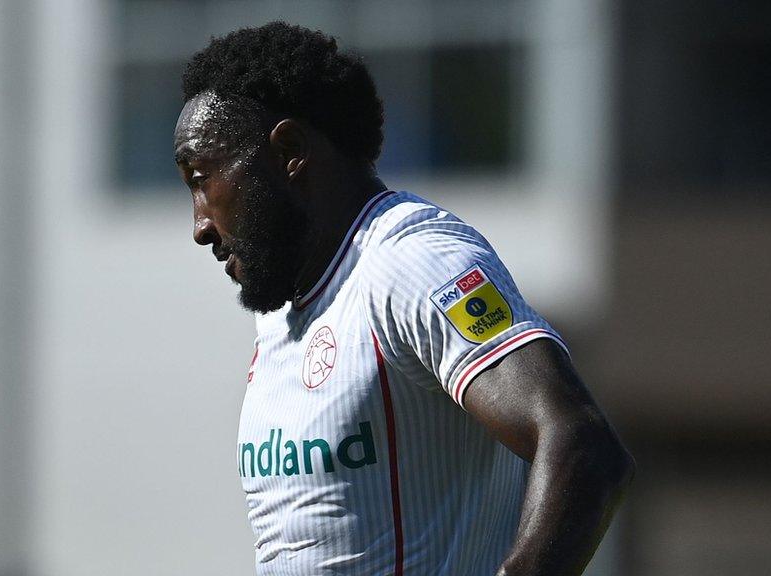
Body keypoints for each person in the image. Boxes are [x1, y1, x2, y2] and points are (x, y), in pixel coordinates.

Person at [173, 21, 634, 576]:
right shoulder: (287, 310)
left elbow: (582, 447)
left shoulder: (412, 261)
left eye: (202, 178)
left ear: (290, 151)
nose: (200, 224)